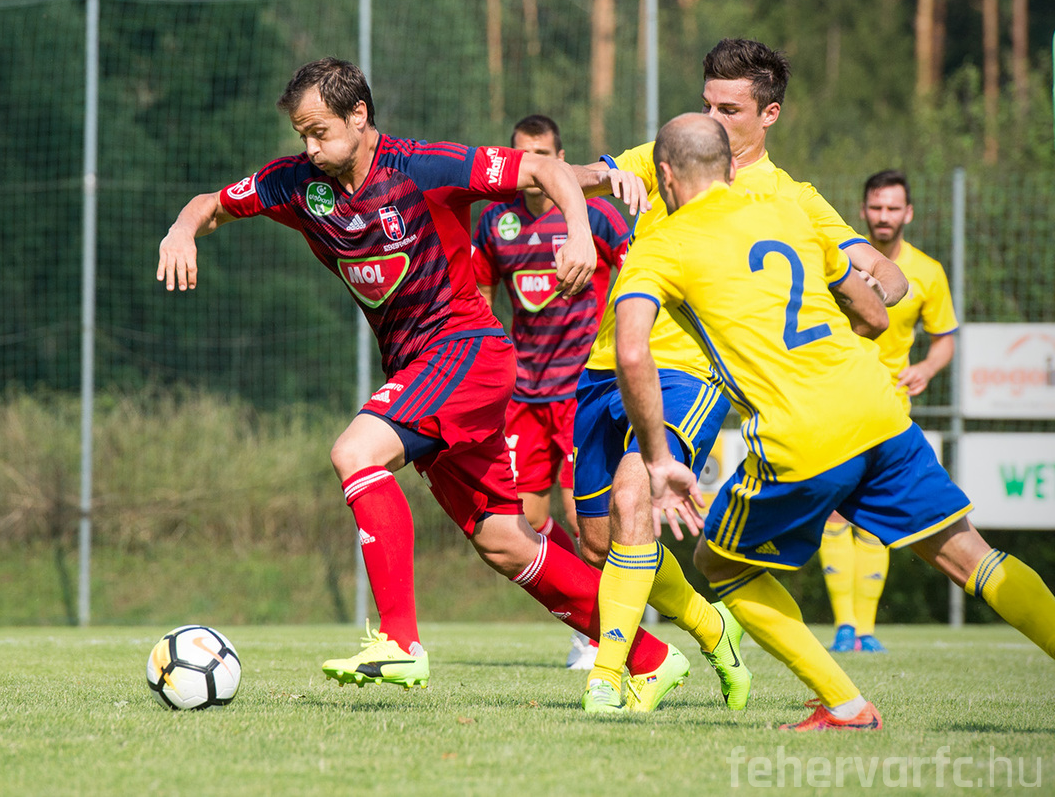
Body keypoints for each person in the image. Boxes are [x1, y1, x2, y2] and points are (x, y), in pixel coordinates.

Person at [158, 57, 688, 709]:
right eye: (301, 134)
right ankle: (651, 656)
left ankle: (400, 641)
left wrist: (579, 230)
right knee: (505, 541)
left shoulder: (422, 167)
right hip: (418, 368)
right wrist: (181, 231)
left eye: (320, 132)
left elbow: (543, 169)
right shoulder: (296, 184)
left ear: (359, 116)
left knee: (355, 452)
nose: (310, 147)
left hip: (467, 351)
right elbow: (212, 204)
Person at [615, 112, 1055, 731]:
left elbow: (633, 353)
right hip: (876, 407)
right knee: (971, 558)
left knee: (721, 565)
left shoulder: (662, 243)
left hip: (800, 431)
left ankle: (845, 705)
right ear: (732, 167)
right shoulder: (788, 212)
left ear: (664, 175)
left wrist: (660, 459)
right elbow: (874, 314)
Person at [563, 39, 912, 713]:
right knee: (601, 540)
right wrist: (587, 202)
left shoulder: (791, 198)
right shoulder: (673, 153)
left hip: (688, 373)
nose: (714, 120)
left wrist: (875, 289)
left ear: (769, 114)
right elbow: (568, 175)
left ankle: (606, 677)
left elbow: (883, 274)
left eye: (730, 109)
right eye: (708, 105)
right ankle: (711, 626)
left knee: (636, 496)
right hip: (607, 366)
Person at [471, 113, 630, 672]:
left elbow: (639, 275)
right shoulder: (495, 222)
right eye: (523, 154)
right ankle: (593, 600)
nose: (533, 164)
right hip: (523, 394)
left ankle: (603, 632)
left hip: (583, 388)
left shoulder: (597, 216)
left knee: (586, 518)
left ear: (561, 159)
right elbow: (479, 298)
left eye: (542, 154)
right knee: (524, 518)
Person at [821, 170, 959, 654]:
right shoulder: (838, 262)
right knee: (834, 513)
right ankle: (844, 627)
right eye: (876, 207)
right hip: (837, 397)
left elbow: (945, 338)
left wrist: (927, 367)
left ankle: (865, 629)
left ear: (908, 213)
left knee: (871, 516)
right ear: (863, 211)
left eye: (892, 208)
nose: (883, 216)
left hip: (889, 404)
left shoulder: (928, 272)